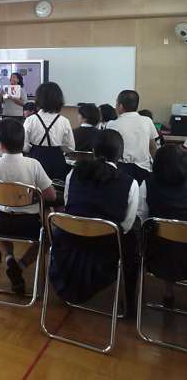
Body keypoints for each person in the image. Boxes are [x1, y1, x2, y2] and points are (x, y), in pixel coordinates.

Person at [49, 129, 139, 312]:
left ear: (93, 151)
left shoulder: (73, 174)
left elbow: (68, 206)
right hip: (106, 250)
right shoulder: (130, 183)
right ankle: (129, 303)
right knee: (133, 237)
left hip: (70, 244)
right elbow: (126, 225)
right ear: (120, 155)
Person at [0, 118, 56, 294]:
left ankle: (9, 259)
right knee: (46, 239)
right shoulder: (33, 164)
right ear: (23, 142)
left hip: (0, 222)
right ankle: (20, 266)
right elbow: (51, 195)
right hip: (29, 224)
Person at [137, 144, 187, 307]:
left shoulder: (147, 184)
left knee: (166, 244)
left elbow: (142, 218)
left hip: (156, 252)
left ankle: (168, 292)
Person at [24, 82, 74, 180]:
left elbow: (23, 146)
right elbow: (70, 147)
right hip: (57, 160)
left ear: (38, 99)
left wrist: (33, 148)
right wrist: (57, 147)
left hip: (36, 158)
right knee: (56, 186)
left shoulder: (30, 120)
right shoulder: (64, 121)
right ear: (59, 99)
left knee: (35, 186)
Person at [107, 90, 158, 185]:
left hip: (120, 171)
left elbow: (109, 151)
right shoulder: (147, 121)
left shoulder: (112, 124)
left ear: (120, 106)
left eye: (116, 103)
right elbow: (152, 147)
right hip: (144, 171)